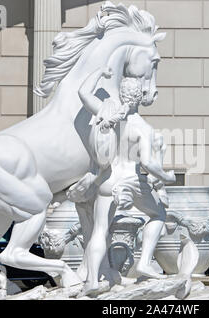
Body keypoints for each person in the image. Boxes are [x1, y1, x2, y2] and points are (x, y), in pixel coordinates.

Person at [69, 67, 175, 296]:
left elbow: (83, 92)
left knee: (100, 229)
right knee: (158, 215)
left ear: (121, 94)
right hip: (133, 180)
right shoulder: (143, 128)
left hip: (108, 180)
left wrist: (100, 70)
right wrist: (167, 176)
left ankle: (93, 280)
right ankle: (145, 261)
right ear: (139, 98)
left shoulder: (107, 113)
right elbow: (147, 163)